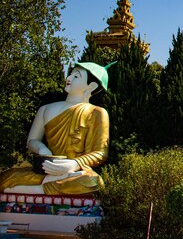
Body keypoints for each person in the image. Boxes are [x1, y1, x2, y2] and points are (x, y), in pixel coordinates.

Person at [0, 62, 113, 196]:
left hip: (74, 172)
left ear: (91, 86)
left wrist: (74, 164)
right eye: (70, 74)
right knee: (4, 178)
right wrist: (42, 149)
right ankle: (50, 183)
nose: (69, 78)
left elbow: (100, 153)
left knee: (93, 182)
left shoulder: (97, 112)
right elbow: (32, 140)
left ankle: (39, 189)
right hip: (46, 169)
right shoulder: (46, 108)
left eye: (76, 76)